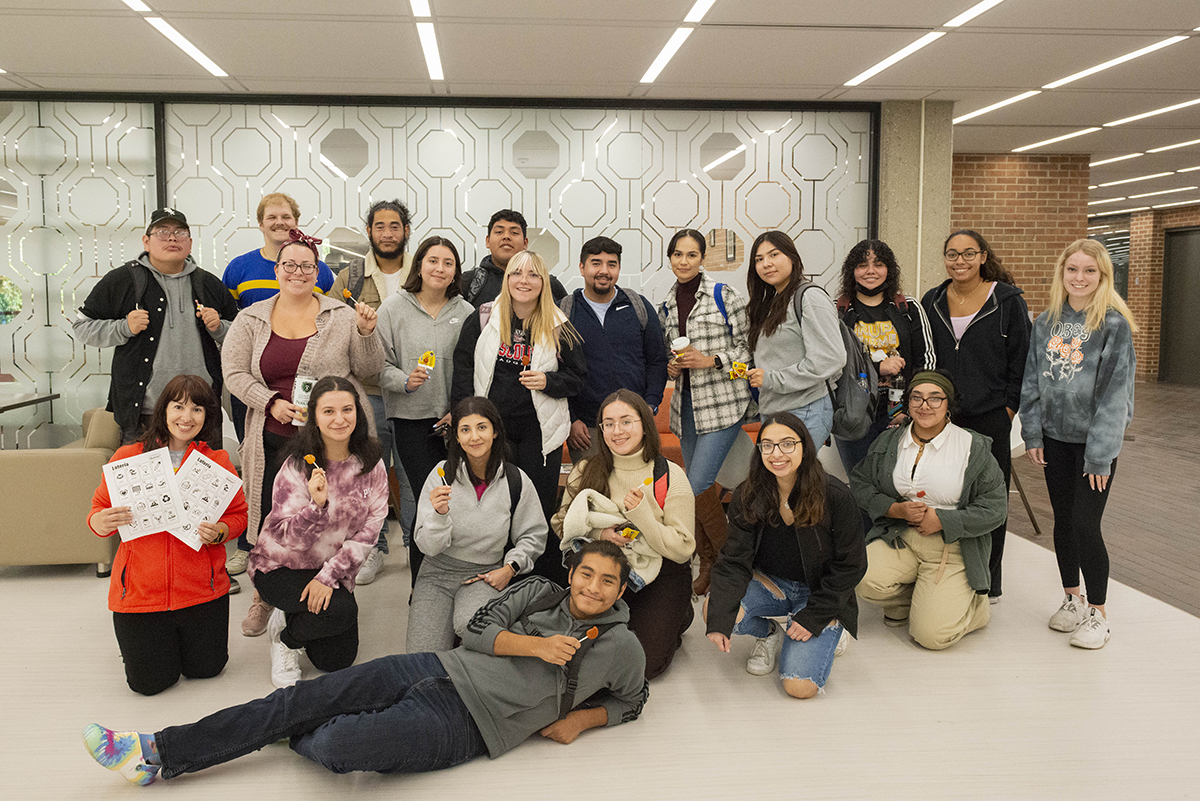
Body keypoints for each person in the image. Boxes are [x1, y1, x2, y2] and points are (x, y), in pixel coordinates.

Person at [83, 541, 648, 786]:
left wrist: (582, 720)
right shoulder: (542, 592)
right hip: (432, 667)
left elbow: (633, 698)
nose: (593, 588)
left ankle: (289, 728)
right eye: (586, 574)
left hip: (468, 726)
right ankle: (157, 752)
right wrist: (536, 647)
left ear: (622, 589)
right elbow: (475, 631)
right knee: (296, 699)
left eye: (608, 581)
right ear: (572, 573)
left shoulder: (621, 647)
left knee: (335, 747)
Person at [222, 230, 383, 637]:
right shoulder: (251, 317)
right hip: (272, 434)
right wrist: (269, 401)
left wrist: (366, 333)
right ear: (276, 270)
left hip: (333, 440)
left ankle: (331, 584)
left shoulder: (341, 314)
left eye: (307, 266)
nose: (298, 272)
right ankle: (266, 596)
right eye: (289, 264)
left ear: (318, 272)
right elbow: (234, 373)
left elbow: (367, 370)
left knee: (333, 513)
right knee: (272, 517)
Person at [87, 375, 248, 696]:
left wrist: (221, 531)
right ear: (163, 411)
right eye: (178, 407)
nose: (186, 417)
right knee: (149, 684)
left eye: (197, 409)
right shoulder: (127, 458)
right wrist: (100, 522)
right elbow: (97, 510)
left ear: (208, 417)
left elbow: (239, 516)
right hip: (142, 595)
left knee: (208, 670)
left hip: (202, 591)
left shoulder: (217, 462)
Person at [1020, 239, 1138, 650]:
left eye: (1090, 271)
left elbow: (1115, 395)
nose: (1080, 278)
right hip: (1053, 440)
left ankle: (1099, 613)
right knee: (1064, 521)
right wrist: (1032, 432)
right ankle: (1072, 597)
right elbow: (1032, 380)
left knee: (1086, 523)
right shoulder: (1045, 323)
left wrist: (1101, 455)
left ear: (1103, 276)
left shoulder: (1113, 325)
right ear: (1062, 273)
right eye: (1073, 269)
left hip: (1093, 447)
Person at [706, 412, 865, 698]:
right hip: (772, 584)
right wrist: (719, 620)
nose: (776, 453)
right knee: (714, 609)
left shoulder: (835, 495)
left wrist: (814, 616)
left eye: (787, 444)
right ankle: (769, 635)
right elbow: (732, 561)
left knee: (799, 687)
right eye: (767, 445)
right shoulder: (748, 494)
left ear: (804, 446)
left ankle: (832, 627)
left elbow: (852, 565)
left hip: (820, 592)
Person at [452, 250, 586, 582]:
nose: (523, 281)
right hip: (492, 433)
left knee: (537, 508)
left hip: (540, 434)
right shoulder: (484, 317)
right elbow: (463, 368)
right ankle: (497, 574)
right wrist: (462, 420)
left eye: (532, 275)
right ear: (506, 279)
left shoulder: (558, 324)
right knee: (495, 504)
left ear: (544, 282)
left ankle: (536, 580)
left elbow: (578, 378)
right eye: (516, 273)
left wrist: (548, 381)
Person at [851, 370, 1007, 650]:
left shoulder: (972, 447)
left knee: (931, 637)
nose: (925, 406)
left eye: (935, 398)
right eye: (917, 398)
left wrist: (945, 520)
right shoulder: (889, 442)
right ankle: (913, 600)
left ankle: (975, 609)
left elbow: (996, 508)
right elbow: (861, 482)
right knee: (861, 576)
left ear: (949, 405)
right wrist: (894, 509)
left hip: (953, 548)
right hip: (902, 537)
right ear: (907, 403)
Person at [248, 376, 388, 687]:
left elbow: (369, 532)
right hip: (281, 566)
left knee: (336, 662)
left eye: (347, 410)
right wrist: (317, 506)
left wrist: (328, 576)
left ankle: (294, 618)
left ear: (358, 413)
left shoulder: (371, 463)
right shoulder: (297, 465)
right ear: (314, 416)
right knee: (338, 612)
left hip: (330, 570)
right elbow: (287, 537)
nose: (339, 419)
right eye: (328, 411)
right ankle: (285, 640)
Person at [554, 390, 694, 679]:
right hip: (605, 573)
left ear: (644, 424)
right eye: (609, 423)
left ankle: (678, 613)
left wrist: (642, 515)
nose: (617, 431)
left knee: (643, 664)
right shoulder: (585, 469)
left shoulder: (669, 474)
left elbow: (682, 549)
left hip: (660, 571)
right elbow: (560, 523)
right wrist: (599, 532)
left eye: (626, 421)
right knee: (576, 650)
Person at [921, 229, 1030, 602]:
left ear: (983, 256)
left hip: (990, 416)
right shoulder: (932, 300)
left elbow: (1023, 361)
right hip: (939, 417)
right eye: (952, 254)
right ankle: (943, 574)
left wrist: (1008, 409)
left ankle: (988, 581)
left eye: (968, 253)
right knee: (942, 495)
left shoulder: (1007, 300)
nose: (960, 261)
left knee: (988, 498)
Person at [73, 208, 237, 445]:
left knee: (201, 481)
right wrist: (124, 327)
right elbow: (82, 327)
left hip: (200, 413)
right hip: (144, 414)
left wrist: (219, 328)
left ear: (189, 243)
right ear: (146, 241)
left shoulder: (208, 283)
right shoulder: (122, 280)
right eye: (162, 232)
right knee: (144, 482)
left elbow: (242, 333)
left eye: (179, 232)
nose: (172, 238)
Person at [408, 396, 548, 653]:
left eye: (482, 427)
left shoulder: (516, 480)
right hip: (436, 573)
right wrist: (439, 515)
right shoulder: (441, 474)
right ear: (457, 437)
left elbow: (534, 534)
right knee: (421, 655)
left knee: (473, 631)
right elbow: (427, 545)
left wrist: (510, 567)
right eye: (465, 429)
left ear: (495, 431)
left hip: (485, 574)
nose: (474, 437)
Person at [658, 228, 755, 595]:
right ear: (670, 259)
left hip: (723, 406)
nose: (684, 262)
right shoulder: (666, 305)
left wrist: (712, 360)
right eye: (677, 255)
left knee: (695, 485)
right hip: (685, 407)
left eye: (691, 255)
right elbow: (673, 354)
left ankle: (731, 565)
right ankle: (711, 561)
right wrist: (672, 366)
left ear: (702, 259)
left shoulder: (723, 296)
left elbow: (748, 354)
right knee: (694, 487)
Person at [378, 235, 475, 584]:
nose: (440, 268)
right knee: (426, 499)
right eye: (433, 260)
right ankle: (422, 584)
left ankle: (456, 575)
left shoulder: (466, 312)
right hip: (410, 420)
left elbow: (475, 370)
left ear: (455, 272)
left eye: (448, 263)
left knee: (458, 498)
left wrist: (459, 409)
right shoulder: (392, 308)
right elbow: (378, 364)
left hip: (458, 424)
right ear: (419, 264)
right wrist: (404, 380)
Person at [330, 199, 417, 585]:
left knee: (417, 472)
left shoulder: (426, 269)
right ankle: (374, 547)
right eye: (379, 226)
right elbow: (330, 329)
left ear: (406, 231)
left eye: (394, 226)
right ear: (369, 232)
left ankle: (419, 548)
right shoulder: (349, 277)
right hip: (370, 394)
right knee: (369, 473)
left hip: (418, 392)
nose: (387, 233)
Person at [221, 193, 336, 442]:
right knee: (257, 450)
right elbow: (228, 324)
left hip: (309, 382)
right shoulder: (238, 269)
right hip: (255, 381)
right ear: (260, 224)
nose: (279, 222)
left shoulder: (321, 271)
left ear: (296, 222)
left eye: (286, 216)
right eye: (271, 217)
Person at [560, 236, 668, 462]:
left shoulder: (638, 305)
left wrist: (650, 404)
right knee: (593, 493)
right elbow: (558, 370)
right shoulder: (565, 312)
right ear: (582, 267)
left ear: (618, 268)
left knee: (639, 492)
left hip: (635, 422)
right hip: (587, 428)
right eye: (596, 263)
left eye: (611, 264)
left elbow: (657, 360)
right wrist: (571, 419)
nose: (604, 271)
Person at [834, 239, 935, 474]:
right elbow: (832, 363)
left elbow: (927, 360)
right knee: (861, 481)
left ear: (889, 269)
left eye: (878, 264)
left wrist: (915, 405)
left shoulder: (909, 308)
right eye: (862, 265)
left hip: (902, 411)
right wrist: (877, 367)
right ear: (852, 271)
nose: (870, 271)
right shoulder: (837, 311)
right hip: (854, 412)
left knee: (899, 481)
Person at [745, 230, 845, 449]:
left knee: (796, 480)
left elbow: (831, 358)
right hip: (773, 409)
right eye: (759, 259)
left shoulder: (810, 297)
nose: (766, 264)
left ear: (792, 257)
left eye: (774, 255)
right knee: (781, 480)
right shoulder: (771, 302)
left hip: (805, 408)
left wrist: (771, 379)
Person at [459, 209, 567, 308]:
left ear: (525, 243)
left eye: (514, 233)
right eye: (499, 232)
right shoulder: (469, 281)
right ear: (487, 241)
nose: (506, 237)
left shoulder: (547, 282)